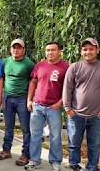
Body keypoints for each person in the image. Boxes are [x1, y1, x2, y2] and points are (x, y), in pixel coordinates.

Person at [63, 38, 100, 171]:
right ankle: (74, 165)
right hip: (76, 114)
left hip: (97, 116)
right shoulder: (74, 67)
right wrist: (68, 108)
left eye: (91, 49)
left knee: (95, 144)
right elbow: (67, 88)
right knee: (74, 143)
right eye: (85, 49)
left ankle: (92, 167)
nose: (88, 52)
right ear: (81, 52)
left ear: (97, 50)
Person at [25, 42, 69, 171]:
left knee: (55, 136)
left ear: (59, 51)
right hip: (37, 106)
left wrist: (60, 103)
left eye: (53, 50)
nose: (50, 52)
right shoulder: (40, 65)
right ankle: (34, 160)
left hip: (54, 107)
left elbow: (69, 88)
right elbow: (33, 82)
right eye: (48, 50)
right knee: (35, 135)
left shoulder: (65, 67)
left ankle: (55, 162)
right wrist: (29, 100)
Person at [0, 39, 34, 166]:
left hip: (22, 99)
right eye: (14, 47)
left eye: (19, 48)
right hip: (8, 98)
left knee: (25, 128)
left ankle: (25, 154)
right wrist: (0, 96)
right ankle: (6, 150)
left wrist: (30, 99)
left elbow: (33, 82)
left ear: (23, 50)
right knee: (8, 127)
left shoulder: (29, 64)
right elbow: (2, 79)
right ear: (10, 49)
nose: (16, 50)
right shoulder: (5, 62)